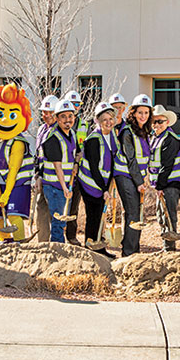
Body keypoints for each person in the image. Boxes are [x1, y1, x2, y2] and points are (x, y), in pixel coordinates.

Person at [0, 83, 35, 241]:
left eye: (12, 115)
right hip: (2, 183)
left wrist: (6, 195)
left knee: (13, 215)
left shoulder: (18, 143)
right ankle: (7, 242)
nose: (5, 119)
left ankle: (20, 246)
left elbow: (13, 170)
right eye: (0, 114)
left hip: (18, 184)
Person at [113, 94, 153, 257]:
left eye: (146, 112)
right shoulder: (127, 132)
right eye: (140, 112)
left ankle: (133, 249)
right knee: (133, 212)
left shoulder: (144, 131)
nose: (143, 116)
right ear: (133, 113)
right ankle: (129, 253)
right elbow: (131, 159)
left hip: (136, 177)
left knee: (136, 212)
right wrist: (139, 182)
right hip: (124, 175)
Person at [79, 101, 118, 257]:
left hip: (102, 183)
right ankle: (90, 249)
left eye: (110, 119)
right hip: (90, 184)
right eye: (104, 120)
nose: (108, 122)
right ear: (98, 121)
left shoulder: (112, 136)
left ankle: (99, 249)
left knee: (100, 217)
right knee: (93, 216)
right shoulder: (94, 139)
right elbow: (94, 168)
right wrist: (103, 189)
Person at [41, 98, 79, 242]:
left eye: (70, 116)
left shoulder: (72, 134)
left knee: (62, 221)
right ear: (56, 118)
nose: (67, 120)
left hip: (66, 184)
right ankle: (57, 248)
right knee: (58, 221)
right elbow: (58, 167)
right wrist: (65, 188)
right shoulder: (53, 138)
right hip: (55, 186)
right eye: (63, 116)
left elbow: (76, 153)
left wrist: (76, 163)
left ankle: (59, 247)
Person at [149, 105, 180, 251]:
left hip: (170, 182)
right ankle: (166, 245)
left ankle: (169, 247)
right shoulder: (154, 137)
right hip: (161, 183)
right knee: (161, 214)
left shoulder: (170, 139)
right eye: (154, 121)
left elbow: (167, 165)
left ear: (167, 122)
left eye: (160, 121)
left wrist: (160, 186)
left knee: (168, 214)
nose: (157, 124)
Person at [62, 90, 87, 244]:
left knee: (74, 206)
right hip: (62, 171)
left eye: (77, 104)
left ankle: (71, 236)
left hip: (78, 170)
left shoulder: (84, 125)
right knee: (60, 205)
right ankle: (58, 236)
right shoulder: (60, 124)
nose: (75, 107)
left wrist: (78, 162)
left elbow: (85, 146)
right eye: (72, 104)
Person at [33, 95, 58, 243]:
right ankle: (42, 244)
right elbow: (39, 155)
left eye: (50, 112)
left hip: (55, 180)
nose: (47, 115)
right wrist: (37, 175)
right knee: (40, 209)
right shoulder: (41, 129)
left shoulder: (59, 131)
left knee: (55, 215)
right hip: (42, 177)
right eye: (44, 112)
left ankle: (55, 247)